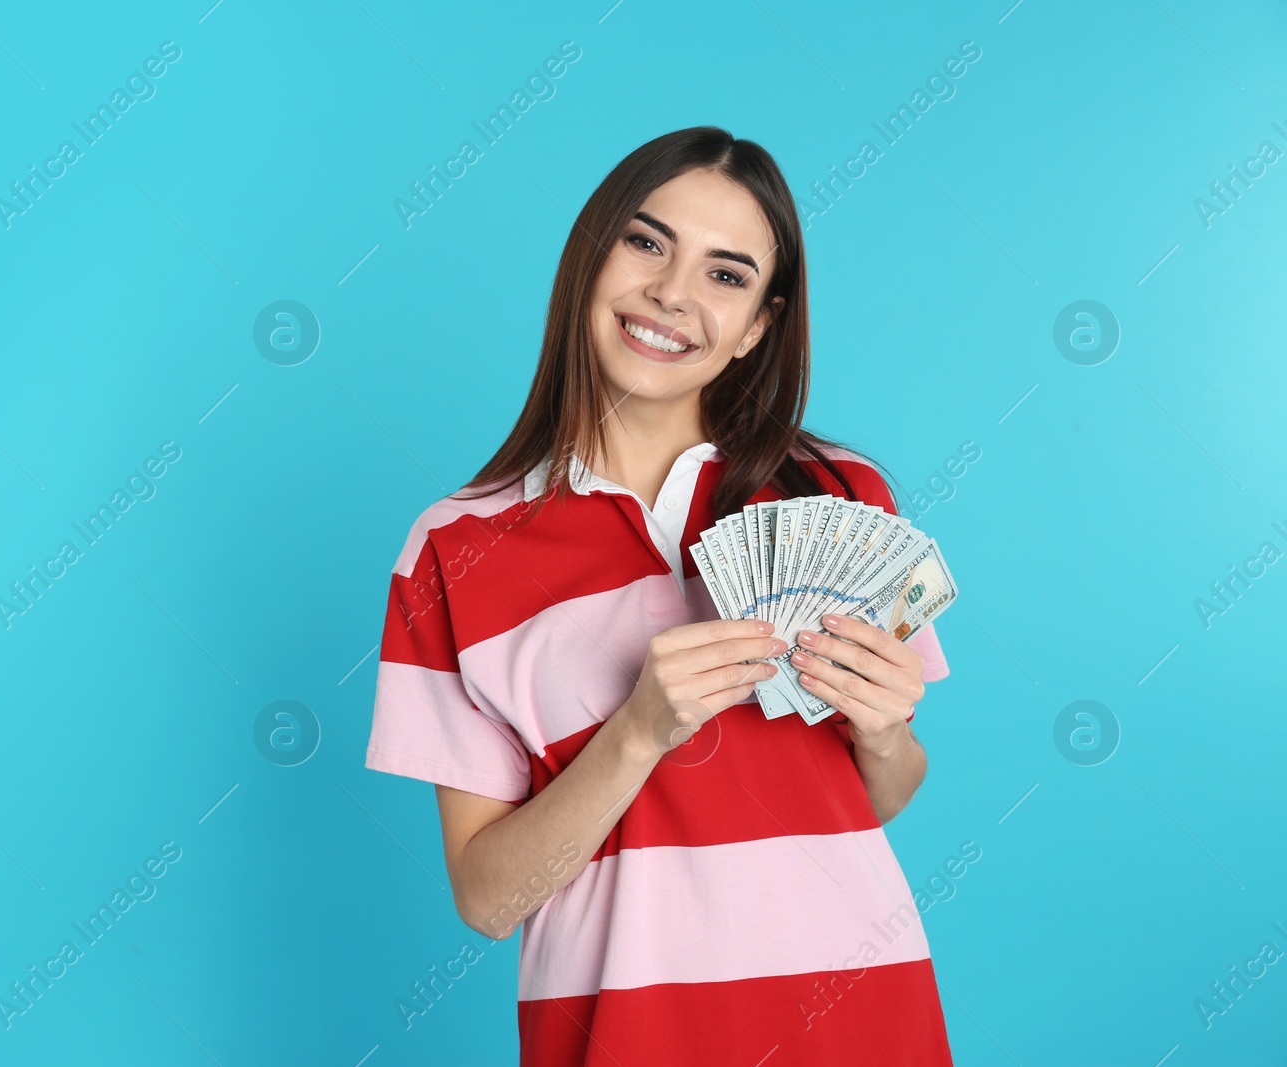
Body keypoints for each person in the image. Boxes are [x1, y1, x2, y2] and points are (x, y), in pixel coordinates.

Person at [365, 126, 955, 1066]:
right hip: (619, 1039)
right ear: (589, 257)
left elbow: (884, 792)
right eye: (646, 242)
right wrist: (638, 729)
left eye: (727, 275)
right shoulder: (452, 548)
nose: (673, 294)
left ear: (760, 323)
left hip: (860, 1018)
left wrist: (886, 730)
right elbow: (488, 898)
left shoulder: (838, 494)